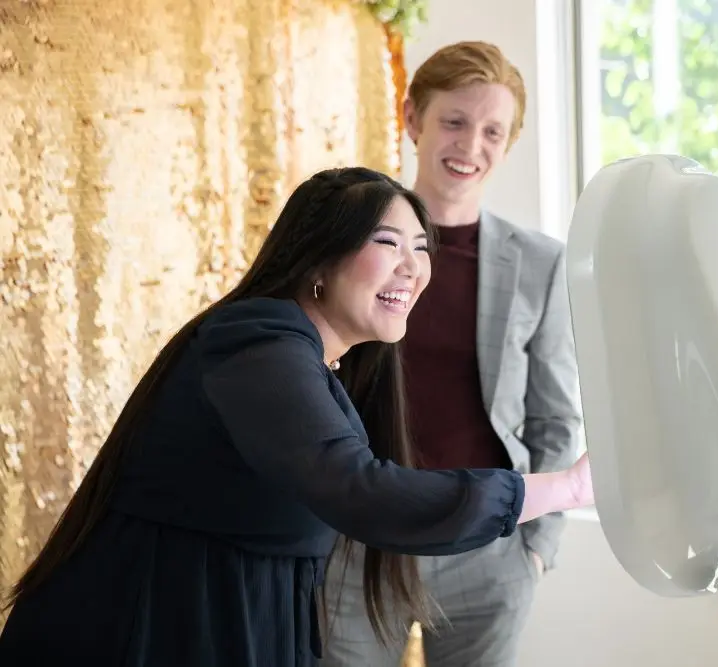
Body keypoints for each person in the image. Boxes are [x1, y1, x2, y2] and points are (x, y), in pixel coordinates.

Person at [0, 167, 593, 667]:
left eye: (421, 247)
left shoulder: (317, 360)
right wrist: (563, 487)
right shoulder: (260, 343)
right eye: (388, 243)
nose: (413, 268)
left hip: (232, 615)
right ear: (319, 259)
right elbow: (363, 491)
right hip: (159, 620)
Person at [323, 43, 582, 667]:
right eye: (454, 122)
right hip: (358, 543)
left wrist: (537, 547)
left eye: (492, 131)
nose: (470, 146)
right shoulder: (345, 242)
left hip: (489, 549)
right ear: (413, 119)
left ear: (508, 143)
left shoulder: (539, 264)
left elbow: (555, 415)